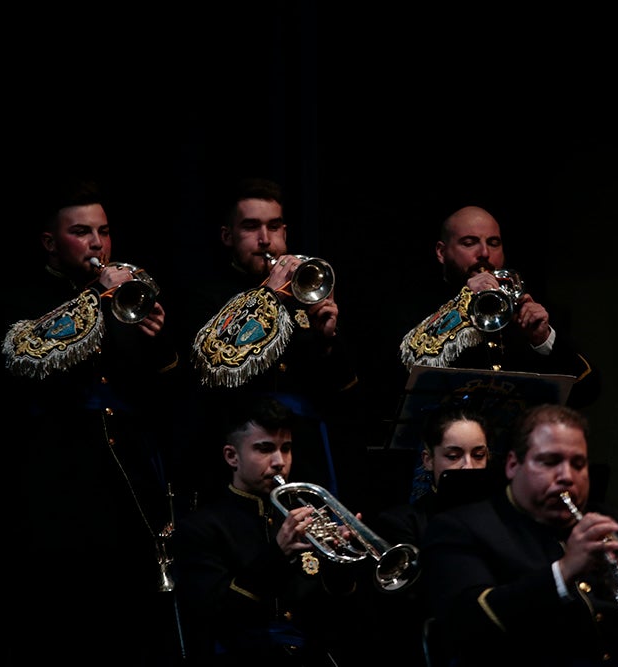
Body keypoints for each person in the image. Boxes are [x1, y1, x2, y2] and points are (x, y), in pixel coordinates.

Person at [0, 177, 184, 665]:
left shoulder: (122, 296)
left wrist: (155, 339)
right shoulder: (20, 296)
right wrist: (97, 296)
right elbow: (26, 353)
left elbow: (162, 390)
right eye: (81, 232)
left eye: (104, 231)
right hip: (56, 469)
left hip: (125, 468)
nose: (97, 244)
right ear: (51, 243)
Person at [421, 403, 618, 666]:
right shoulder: (460, 529)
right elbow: (467, 627)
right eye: (549, 461)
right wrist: (563, 572)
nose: (567, 476)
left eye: (578, 464)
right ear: (512, 465)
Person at [180, 177, 363, 508]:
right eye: (251, 227)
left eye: (274, 227)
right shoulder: (206, 295)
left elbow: (345, 395)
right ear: (227, 236)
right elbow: (211, 367)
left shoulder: (306, 291)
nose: (266, 240)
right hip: (237, 453)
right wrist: (270, 296)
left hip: (303, 450)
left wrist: (327, 339)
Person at [170, 393, 369, 666]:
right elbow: (214, 616)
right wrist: (277, 554)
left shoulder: (305, 514)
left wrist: (341, 564)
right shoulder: (201, 527)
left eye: (285, 448)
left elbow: (336, 614)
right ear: (232, 456)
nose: (279, 462)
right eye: (264, 449)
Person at [399, 205, 599, 410]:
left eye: (493, 243)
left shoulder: (525, 308)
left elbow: (587, 391)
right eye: (469, 243)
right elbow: (401, 375)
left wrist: (543, 340)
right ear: (442, 252)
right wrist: (463, 302)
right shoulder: (413, 308)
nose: (484, 253)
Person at [364, 404, 495, 667]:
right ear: (428, 460)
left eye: (478, 455)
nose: (469, 467)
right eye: (454, 456)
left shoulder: (504, 517)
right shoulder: (401, 522)